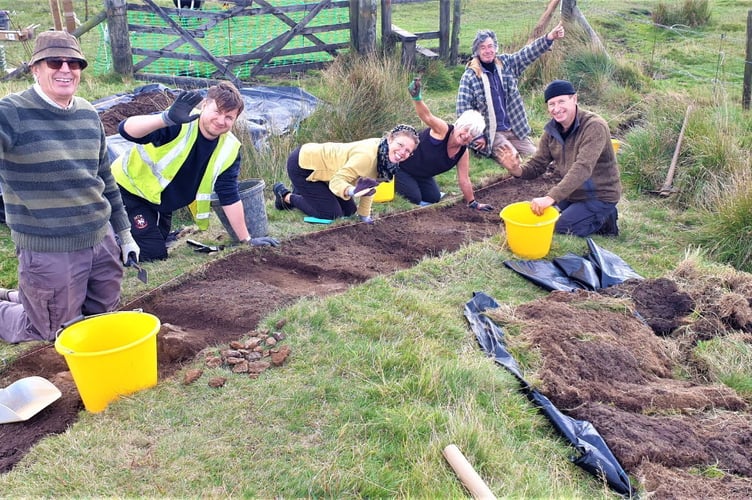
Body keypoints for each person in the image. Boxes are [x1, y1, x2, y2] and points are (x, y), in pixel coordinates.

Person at [0, 31, 139, 344]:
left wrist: (125, 235)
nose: (66, 69)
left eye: (74, 63)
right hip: (51, 248)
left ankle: (26, 297)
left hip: (100, 241)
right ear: (35, 68)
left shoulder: (89, 114)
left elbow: (106, 180)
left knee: (101, 319)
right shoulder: (12, 113)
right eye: (55, 61)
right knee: (52, 331)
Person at [112, 81, 279, 261]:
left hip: (160, 202)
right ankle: (109, 235)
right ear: (205, 105)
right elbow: (125, 130)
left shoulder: (229, 148)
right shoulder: (179, 122)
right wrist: (165, 119)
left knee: (157, 243)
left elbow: (229, 194)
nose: (221, 120)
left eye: (229, 117)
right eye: (217, 111)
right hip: (128, 191)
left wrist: (246, 240)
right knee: (152, 255)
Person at [498, 79, 621, 237]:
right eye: (551, 104)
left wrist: (550, 197)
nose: (556, 109)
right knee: (541, 217)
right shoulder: (551, 131)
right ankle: (584, 214)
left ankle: (606, 218)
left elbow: (582, 168)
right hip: (573, 193)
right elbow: (537, 165)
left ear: (574, 99)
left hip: (599, 195)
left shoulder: (594, 126)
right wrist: (515, 169)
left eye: (561, 101)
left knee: (560, 228)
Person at [457, 22, 566, 165]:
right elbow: (462, 110)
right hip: (492, 133)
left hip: (514, 130)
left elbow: (527, 54)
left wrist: (549, 38)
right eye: (482, 48)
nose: (487, 51)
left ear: (495, 48)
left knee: (538, 157)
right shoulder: (470, 76)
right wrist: (477, 137)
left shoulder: (506, 63)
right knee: (514, 159)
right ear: (477, 51)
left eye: (490, 46)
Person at [272, 125, 420, 223]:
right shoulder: (367, 157)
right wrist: (352, 191)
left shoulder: (387, 163)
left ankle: (307, 193)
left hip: (329, 170)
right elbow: (337, 181)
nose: (402, 152)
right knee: (331, 214)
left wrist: (364, 217)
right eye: (400, 145)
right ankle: (285, 195)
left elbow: (369, 188)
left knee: (349, 211)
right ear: (390, 139)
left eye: (408, 151)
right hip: (304, 164)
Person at [397, 77, 493, 211]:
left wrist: (473, 203)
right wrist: (417, 98)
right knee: (414, 197)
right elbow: (427, 116)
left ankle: (413, 183)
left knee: (434, 197)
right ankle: (388, 177)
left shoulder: (462, 153)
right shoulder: (443, 130)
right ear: (459, 124)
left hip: (422, 175)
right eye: (466, 129)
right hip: (402, 165)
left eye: (472, 134)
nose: (466, 135)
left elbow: (464, 179)